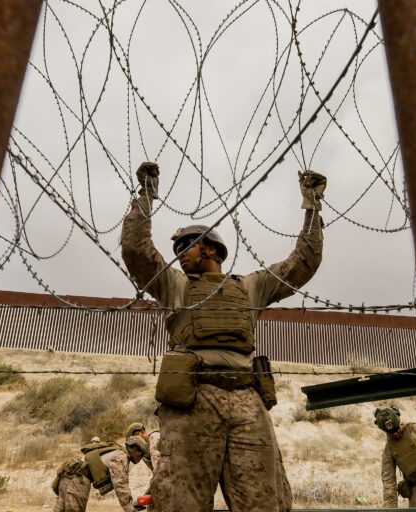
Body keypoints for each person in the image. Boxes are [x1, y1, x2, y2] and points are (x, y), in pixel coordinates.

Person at [121, 161, 326, 512]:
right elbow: (136, 252)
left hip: (248, 400)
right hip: (194, 400)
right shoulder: (175, 285)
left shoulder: (251, 286)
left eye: (188, 246)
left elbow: (301, 265)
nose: (181, 254)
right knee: (179, 502)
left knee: (263, 501)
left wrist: (312, 207)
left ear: (212, 250)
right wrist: (145, 196)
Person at [81, 436, 150, 512]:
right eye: (141, 453)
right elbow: (120, 486)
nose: (141, 458)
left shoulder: (121, 453)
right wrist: (130, 509)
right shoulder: (121, 457)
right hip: (76, 478)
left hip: (79, 479)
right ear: (135, 449)